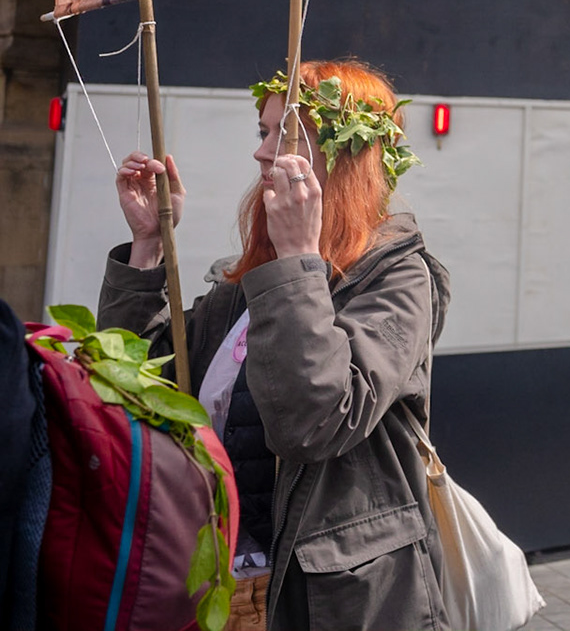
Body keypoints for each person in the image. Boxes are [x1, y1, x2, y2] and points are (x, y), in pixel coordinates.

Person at [98, 61, 448, 631]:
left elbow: (314, 422)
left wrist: (297, 263)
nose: (261, 154)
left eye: (279, 136)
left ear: (341, 155)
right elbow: (139, 387)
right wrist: (148, 246)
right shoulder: (252, 279)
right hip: (219, 586)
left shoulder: (400, 278)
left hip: (332, 602)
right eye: (261, 133)